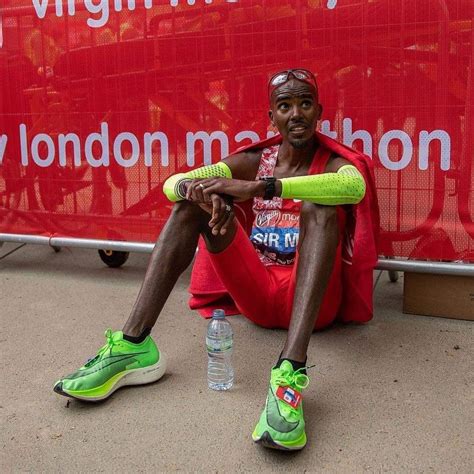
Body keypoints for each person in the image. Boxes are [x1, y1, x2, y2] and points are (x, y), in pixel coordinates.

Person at [54, 69, 379, 451]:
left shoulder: (329, 163)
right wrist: (212, 195)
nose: (296, 114)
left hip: (310, 303)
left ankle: (290, 374)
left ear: (319, 111)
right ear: (270, 116)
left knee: (321, 208)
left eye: (305, 103)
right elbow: (174, 184)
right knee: (189, 206)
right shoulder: (256, 158)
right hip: (258, 293)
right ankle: (133, 345)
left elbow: (353, 185)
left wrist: (262, 187)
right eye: (285, 106)